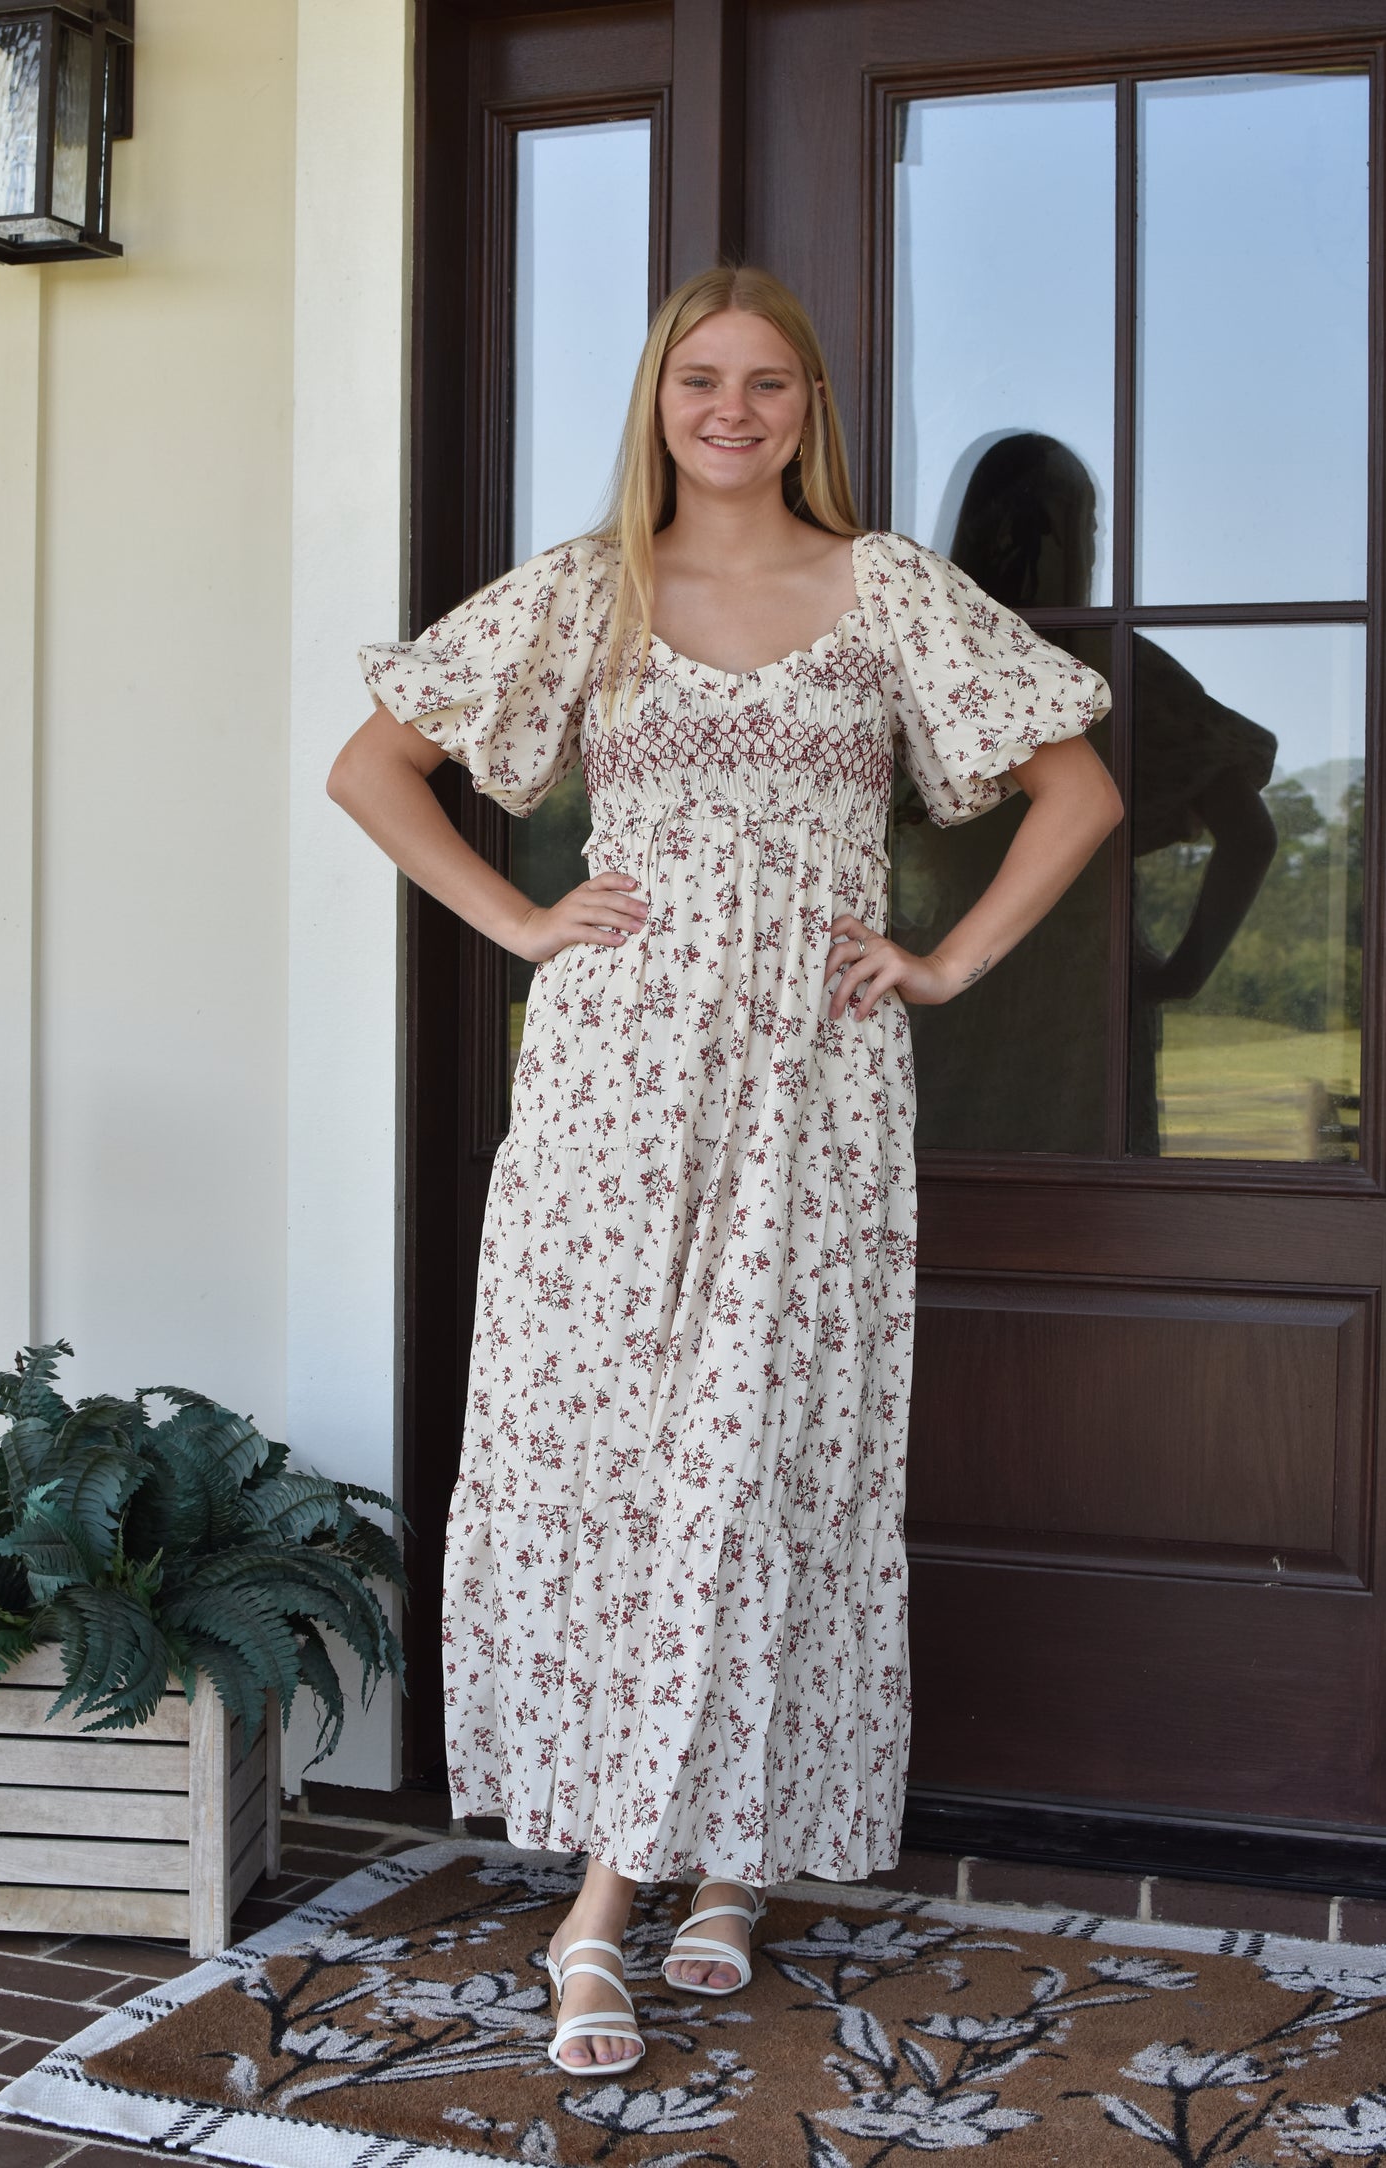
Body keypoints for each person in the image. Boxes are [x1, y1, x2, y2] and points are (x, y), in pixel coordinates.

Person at [328, 264, 1123, 2077]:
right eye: (702, 380)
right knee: (607, 1448)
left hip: (811, 1086)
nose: (733, 411)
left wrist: (943, 964)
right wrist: (521, 921)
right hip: (614, 1085)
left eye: (768, 383)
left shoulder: (889, 588)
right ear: (659, 401)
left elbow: (1075, 795)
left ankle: (676, 1876)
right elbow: (374, 769)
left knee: (761, 1453)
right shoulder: (586, 589)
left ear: (809, 407)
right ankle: (646, 1868)